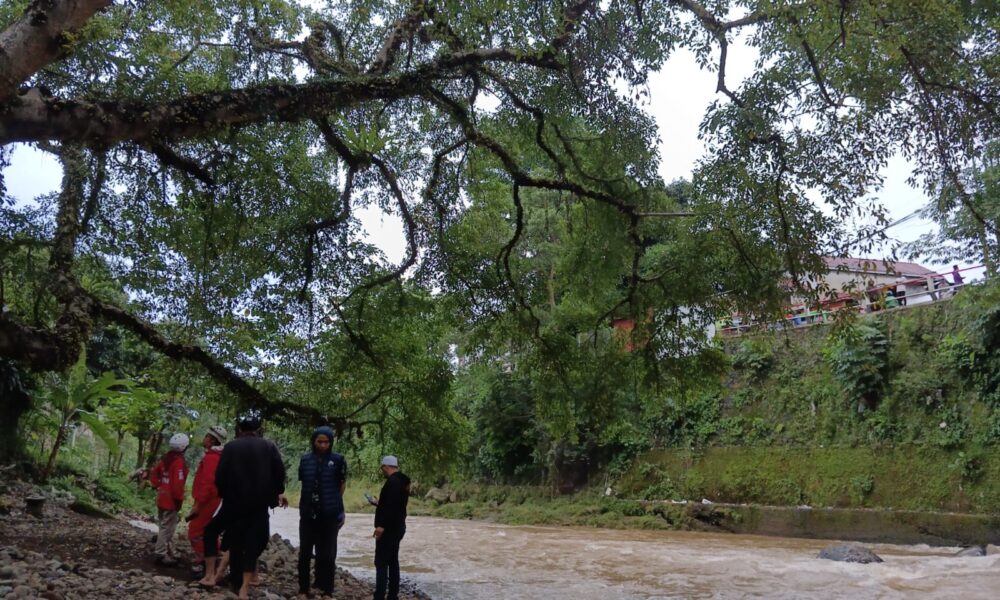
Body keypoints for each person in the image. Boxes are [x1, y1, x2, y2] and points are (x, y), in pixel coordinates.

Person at [215, 411, 288, 600]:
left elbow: (220, 475)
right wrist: (275, 494)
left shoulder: (231, 447)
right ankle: (244, 588)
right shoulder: (269, 447)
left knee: (237, 543)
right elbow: (279, 474)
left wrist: (225, 495)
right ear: (258, 429)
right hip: (259, 505)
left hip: (235, 504)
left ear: (240, 429)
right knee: (257, 541)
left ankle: (236, 582)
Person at [297, 426, 347, 599]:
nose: (323, 445)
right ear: (314, 441)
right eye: (320, 441)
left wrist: (338, 507)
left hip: (330, 513)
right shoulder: (305, 460)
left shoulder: (338, 460)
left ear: (331, 443)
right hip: (308, 513)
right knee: (304, 553)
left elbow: (342, 484)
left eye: (326, 442)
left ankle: (327, 590)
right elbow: (304, 482)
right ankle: (303, 589)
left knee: (327, 554)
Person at [186, 425, 228, 579]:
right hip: (211, 500)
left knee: (195, 532)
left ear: (211, 440)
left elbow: (208, 484)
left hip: (208, 501)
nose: (204, 438)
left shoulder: (211, 458)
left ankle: (206, 561)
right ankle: (215, 556)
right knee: (206, 530)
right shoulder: (216, 457)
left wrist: (198, 504)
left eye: (206, 436)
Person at [148, 432, 190, 566]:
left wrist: (158, 485)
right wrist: (179, 499)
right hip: (171, 501)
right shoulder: (178, 462)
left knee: (166, 527)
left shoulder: (165, 458)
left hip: (162, 497)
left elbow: (154, 473)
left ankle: (171, 551)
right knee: (167, 528)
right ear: (184, 447)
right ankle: (160, 553)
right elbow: (178, 484)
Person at [372, 455, 410, 600]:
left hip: (388, 529)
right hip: (399, 526)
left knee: (381, 562)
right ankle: (393, 595)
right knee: (393, 560)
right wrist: (379, 503)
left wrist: (381, 526)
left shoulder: (392, 482)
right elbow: (395, 503)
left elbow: (391, 507)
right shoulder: (403, 481)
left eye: (383, 467)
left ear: (386, 466)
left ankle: (380, 596)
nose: (382, 470)